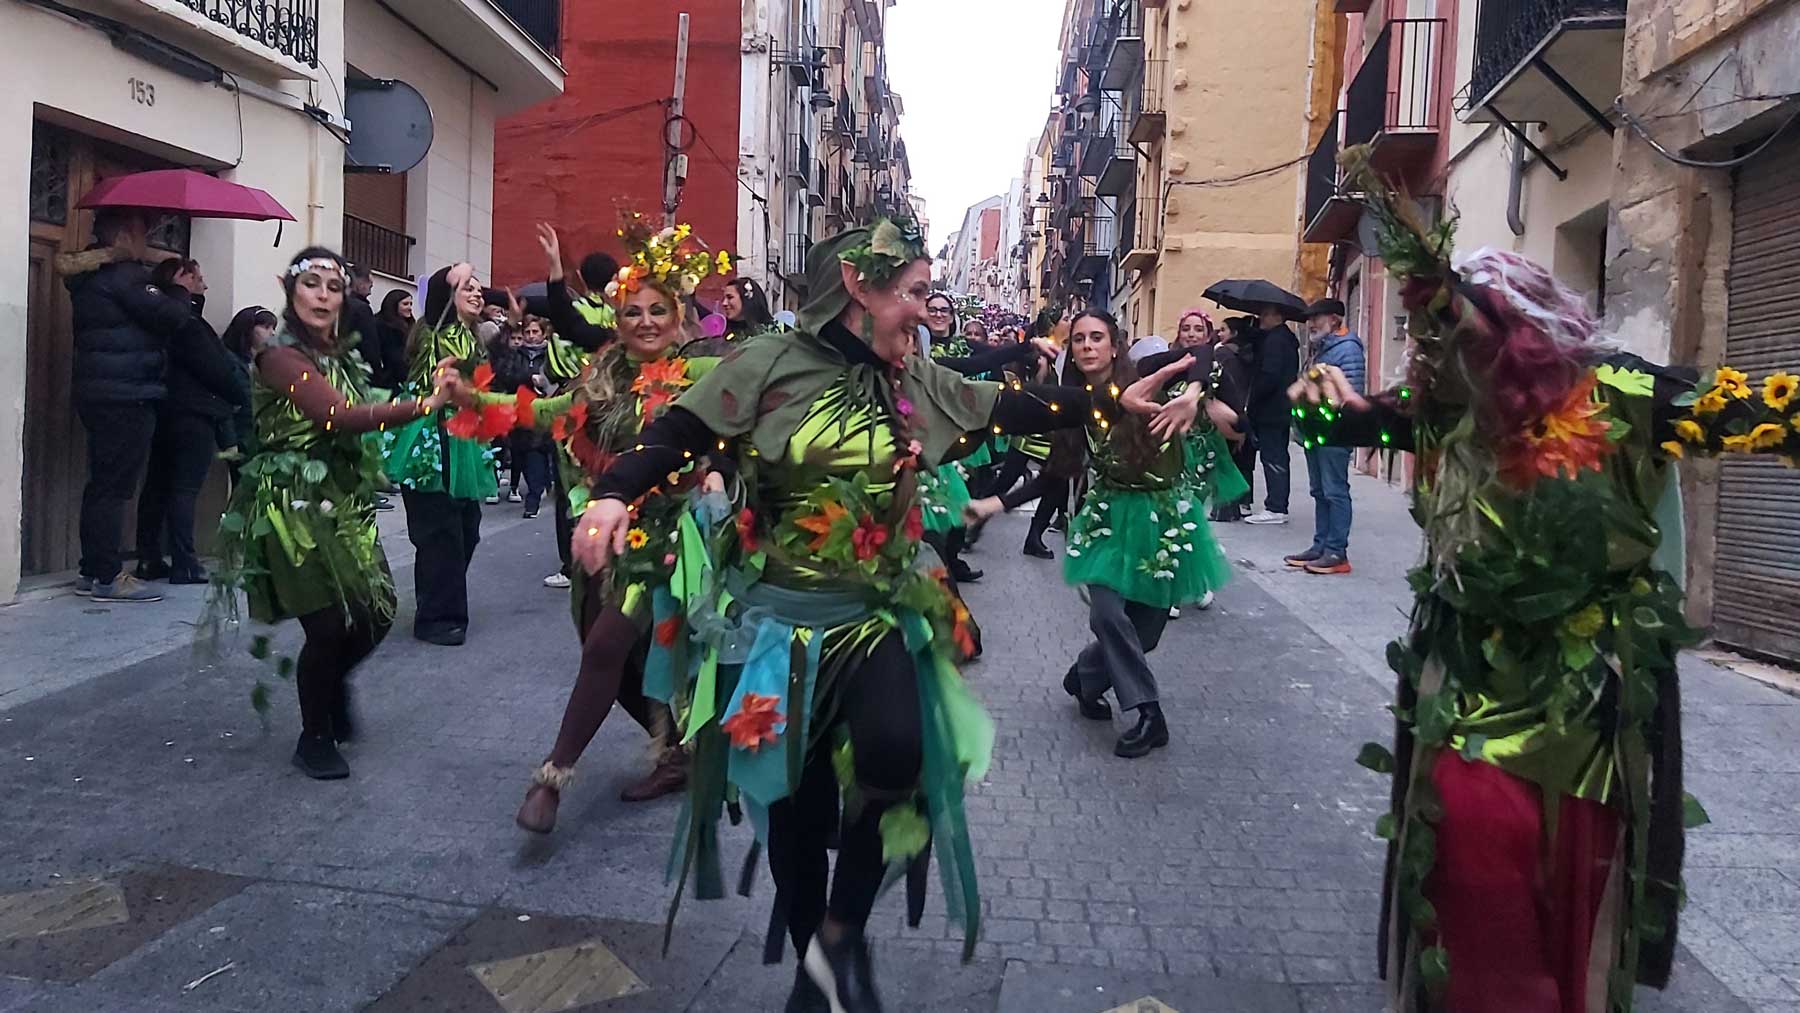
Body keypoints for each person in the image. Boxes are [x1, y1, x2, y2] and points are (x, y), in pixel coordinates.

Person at [572, 216, 1178, 1012]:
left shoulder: (915, 381)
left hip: (875, 612)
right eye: (917, 293)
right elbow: (681, 429)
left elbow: (1009, 407)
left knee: (898, 754)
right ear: (860, 287)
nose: (928, 311)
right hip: (775, 625)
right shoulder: (768, 362)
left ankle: (837, 936)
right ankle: (811, 970)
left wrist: (1105, 399)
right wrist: (615, 492)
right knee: (793, 811)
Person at [1287, 159, 1800, 1013]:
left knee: (1568, 879)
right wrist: (1311, 401)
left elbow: (1768, 413)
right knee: (1465, 857)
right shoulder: (1444, 405)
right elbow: (1331, 423)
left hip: (1584, 698)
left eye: (1447, 336)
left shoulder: (1628, 397)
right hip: (1467, 681)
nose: (1428, 354)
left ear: (1514, 338)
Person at [506, 218, 727, 833]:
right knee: (612, 656)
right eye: (633, 312)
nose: (647, 322)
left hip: (672, 540)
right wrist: (470, 402)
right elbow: (542, 411)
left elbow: (750, 407)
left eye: (660, 310)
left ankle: (551, 780)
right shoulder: (600, 377)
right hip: (605, 536)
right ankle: (679, 750)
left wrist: (717, 466)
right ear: (618, 320)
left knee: (607, 645)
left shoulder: (704, 374)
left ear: (680, 317)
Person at [202, 247, 454, 779]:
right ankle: (314, 735)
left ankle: (330, 682)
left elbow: (366, 398)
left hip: (340, 497)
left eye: (332, 287)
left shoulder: (340, 355)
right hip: (289, 504)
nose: (322, 295)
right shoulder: (278, 356)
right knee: (330, 622)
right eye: (311, 284)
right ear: (289, 290)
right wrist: (423, 406)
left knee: (377, 614)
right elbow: (335, 415)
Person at [969, 311, 1241, 759]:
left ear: (1115, 345)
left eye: (1097, 338)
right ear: (1071, 350)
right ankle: (1148, 713)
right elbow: (1054, 476)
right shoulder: (1072, 406)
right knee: (1109, 616)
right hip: (1106, 520)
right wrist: (994, 505)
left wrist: (1192, 393)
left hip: (1163, 519)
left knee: (1146, 634)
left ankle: (1085, 676)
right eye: (1079, 340)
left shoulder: (1147, 375)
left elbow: (1202, 353)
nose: (1088, 346)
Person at [57, 209, 208, 603]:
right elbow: (172, 317)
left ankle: (92, 571)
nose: (148, 241)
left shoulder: (92, 277)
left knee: (102, 484)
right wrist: (180, 290)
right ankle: (108, 576)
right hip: (126, 394)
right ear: (123, 235)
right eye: (143, 232)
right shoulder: (124, 277)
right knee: (115, 488)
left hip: (101, 392)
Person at [380, 262, 498, 646]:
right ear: (448, 297)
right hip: (430, 439)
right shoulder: (436, 330)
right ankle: (438, 617)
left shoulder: (473, 336)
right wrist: (453, 272)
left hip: (464, 437)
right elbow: (434, 302)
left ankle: (440, 600)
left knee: (467, 529)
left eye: (479, 288)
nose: (478, 293)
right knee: (439, 531)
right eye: (468, 288)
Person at [133, 258, 248, 584]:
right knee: (184, 487)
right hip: (194, 411)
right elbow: (214, 367)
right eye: (198, 278)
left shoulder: (150, 314)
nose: (205, 285)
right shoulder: (185, 321)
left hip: (161, 407)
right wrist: (238, 393)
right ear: (181, 277)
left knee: (156, 485)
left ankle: (149, 557)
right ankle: (184, 562)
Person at [1284, 298, 1364, 575]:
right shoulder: (1321, 348)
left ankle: (1336, 552)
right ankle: (1320, 546)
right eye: (1310, 317)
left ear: (1334, 319)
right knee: (1319, 491)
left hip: (1334, 431)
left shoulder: (1348, 349)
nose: (1311, 323)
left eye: (1317, 317)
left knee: (1334, 490)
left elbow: (1350, 392)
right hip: (1315, 430)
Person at [1242, 303, 1300, 524]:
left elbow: (1270, 375)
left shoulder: (1276, 341)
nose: (1261, 318)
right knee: (1275, 454)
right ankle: (1276, 504)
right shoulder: (1281, 339)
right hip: (1278, 407)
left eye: (1265, 314)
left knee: (1273, 456)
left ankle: (1276, 507)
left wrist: (1252, 399)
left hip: (1271, 408)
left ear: (1278, 317)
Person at [493, 315, 554, 518]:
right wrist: (529, 379)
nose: (531, 336)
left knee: (538, 453)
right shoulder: (516, 355)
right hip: (521, 411)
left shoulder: (552, 354)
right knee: (523, 454)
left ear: (543, 333)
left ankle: (534, 499)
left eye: (535, 332)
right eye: (527, 332)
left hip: (547, 409)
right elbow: (507, 376)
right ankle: (536, 490)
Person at [219, 305, 278, 489]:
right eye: (266, 327)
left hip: (264, 436)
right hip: (242, 435)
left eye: (273, 328)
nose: (272, 333)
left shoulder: (265, 362)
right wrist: (230, 440)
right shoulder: (230, 361)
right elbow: (227, 401)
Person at [344, 263, 385, 382]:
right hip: (358, 371)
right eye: (370, 287)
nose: (370, 292)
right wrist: (377, 374)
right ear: (361, 283)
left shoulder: (340, 304)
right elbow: (370, 345)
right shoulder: (362, 309)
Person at [373, 289, 414, 392]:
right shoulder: (381, 325)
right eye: (405, 304)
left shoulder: (410, 325)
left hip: (407, 380)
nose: (409, 308)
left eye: (410, 304)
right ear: (394, 305)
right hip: (388, 382)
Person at [720, 275, 776, 341]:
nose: (724, 303)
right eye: (723, 298)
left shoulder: (772, 332)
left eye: (730, 297)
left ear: (746, 298)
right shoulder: (720, 333)